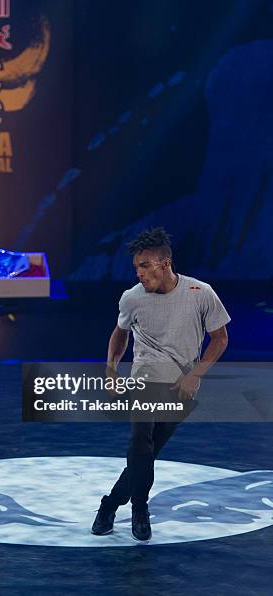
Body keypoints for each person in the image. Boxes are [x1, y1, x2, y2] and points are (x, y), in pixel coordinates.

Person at [91, 227, 230, 541]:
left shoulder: (200, 292)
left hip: (181, 385)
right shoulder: (132, 298)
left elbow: (220, 339)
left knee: (147, 454)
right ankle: (140, 511)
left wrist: (196, 375)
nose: (139, 274)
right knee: (140, 441)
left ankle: (109, 504)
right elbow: (120, 333)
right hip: (144, 378)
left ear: (165, 263)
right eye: (136, 268)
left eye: (145, 266)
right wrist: (111, 371)